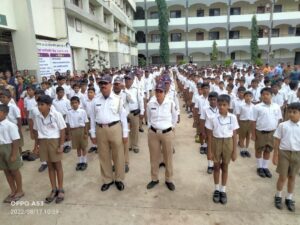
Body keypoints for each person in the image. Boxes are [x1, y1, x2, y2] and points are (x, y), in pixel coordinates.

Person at [90, 75, 129, 192]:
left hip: (115, 128)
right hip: (100, 129)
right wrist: (92, 133)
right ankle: (107, 179)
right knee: (104, 155)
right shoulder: (95, 100)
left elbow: (123, 117)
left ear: (111, 85)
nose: (103, 85)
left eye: (105, 83)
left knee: (118, 155)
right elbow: (92, 117)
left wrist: (125, 134)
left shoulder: (118, 99)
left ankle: (118, 179)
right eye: (101, 83)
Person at [206, 94, 239, 205]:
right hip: (216, 142)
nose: (221, 107)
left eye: (224, 105)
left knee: (225, 166)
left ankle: (223, 190)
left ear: (228, 105)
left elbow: (234, 135)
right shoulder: (212, 118)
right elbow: (209, 136)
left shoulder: (233, 118)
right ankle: (216, 189)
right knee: (216, 167)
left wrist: (235, 151)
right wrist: (209, 151)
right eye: (219, 105)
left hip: (228, 143)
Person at [33, 95, 66, 204]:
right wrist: (36, 146)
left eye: (42, 105)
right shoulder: (37, 116)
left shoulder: (56, 115)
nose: (39, 107)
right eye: (38, 105)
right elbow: (37, 132)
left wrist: (61, 145)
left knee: (58, 165)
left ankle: (61, 189)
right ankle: (53, 189)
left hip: (54, 141)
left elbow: (62, 130)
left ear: (49, 105)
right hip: (43, 142)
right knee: (50, 166)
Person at [146, 81, 177, 191]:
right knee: (154, 157)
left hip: (167, 133)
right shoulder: (150, 103)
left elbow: (174, 117)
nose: (158, 93)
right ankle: (154, 179)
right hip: (153, 133)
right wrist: (150, 128)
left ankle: (169, 179)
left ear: (165, 92)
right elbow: (148, 118)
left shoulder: (170, 103)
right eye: (157, 91)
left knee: (168, 157)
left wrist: (172, 127)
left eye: (161, 91)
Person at [273, 102, 300, 212]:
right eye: (289, 112)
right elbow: (277, 140)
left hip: (297, 154)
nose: (291, 114)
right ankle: (278, 195)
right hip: (284, 153)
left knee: (292, 177)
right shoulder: (283, 125)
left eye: (295, 112)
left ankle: (289, 197)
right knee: (282, 177)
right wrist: (275, 154)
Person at [251, 87, 282, 178]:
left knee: (268, 150)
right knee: (259, 149)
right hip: (260, 132)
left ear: (271, 95)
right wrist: (253, 134)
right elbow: (253, 121)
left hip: (272, 132)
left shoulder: (276, 106)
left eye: (267, 94)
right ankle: (259, 167)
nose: (265, 96)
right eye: (263, 94)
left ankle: (265, 167)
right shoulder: (257, 107)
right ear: (261, 96)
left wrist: (278, 133)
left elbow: (279, 120)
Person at [0, 104, 24, 203]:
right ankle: (13, 190)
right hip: (1, 149)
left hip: (10, 148)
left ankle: (20, 190)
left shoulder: (10, 125)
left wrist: (14, 154)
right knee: (6, 171)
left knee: (14, 170)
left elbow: (15, 141)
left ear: (5, 113)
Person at [66, 96, 89, 171]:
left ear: (79, 103)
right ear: (70, 104)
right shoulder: (69, 113)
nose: (74, 104)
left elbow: (85, 122)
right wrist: (69, 134)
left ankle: (84, 161)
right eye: (72, 103)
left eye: (76, 102)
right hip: (73, 131)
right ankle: (80, 161)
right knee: (78, 147)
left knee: (83, 147)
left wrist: (86, 133)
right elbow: (68, 124)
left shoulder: (82, 111)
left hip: (81, 130)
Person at [124, 73, 144, 153]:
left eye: (129, 79)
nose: (127, 81)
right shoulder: (122, 89)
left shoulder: (136, 89)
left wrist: (142, 111)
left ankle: (135, 145)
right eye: (126, 79)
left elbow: (140, 100)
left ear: (132, 80)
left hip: (134, 112)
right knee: (126, 130)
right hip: (125, 113)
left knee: (135, 130)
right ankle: (128, 145)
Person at [200, 92, 219, 174]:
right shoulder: (205, 109)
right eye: (211, 100)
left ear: (217, 100)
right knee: (210, 149)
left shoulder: (220, 108)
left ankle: (216, 164)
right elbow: (202, 120)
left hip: (218, 131)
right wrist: (203, 132)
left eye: (214, 100)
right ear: (208, 100)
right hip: (209, 131)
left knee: (218, 149)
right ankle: (210, 165)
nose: (213, 101)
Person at [52, 86, 72, 153]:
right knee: (60, 131)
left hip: (65, 117)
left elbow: (69, 110)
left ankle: (68, 145)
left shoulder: (67, 101)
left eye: (63, 92)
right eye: (60, 92)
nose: (62, 94)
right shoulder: (54, 101)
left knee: (67, 131)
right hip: (57, 118)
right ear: (57, 93)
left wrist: (68, 118)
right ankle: (62, 145)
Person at [236, 91, 254, 157]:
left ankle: (246, 149)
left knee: (248, 136)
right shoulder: (241, 105)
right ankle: (242, 150)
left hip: (250, 122)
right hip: (243, 122)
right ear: (244, 97)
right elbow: (238, 115)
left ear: (252, 97)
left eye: (250, 96)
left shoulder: (253, 106)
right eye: (247, 96)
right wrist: (237, 124)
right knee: (242, 137)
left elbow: (254, 116)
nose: (248, 97)